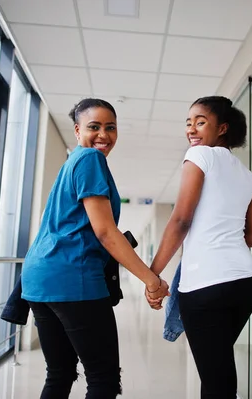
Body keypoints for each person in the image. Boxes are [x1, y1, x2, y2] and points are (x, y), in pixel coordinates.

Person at [21, 98, 169, 399]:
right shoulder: (90, 160)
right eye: (94, 127)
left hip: (39, 279)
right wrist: (152, 280)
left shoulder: (71, 164)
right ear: (77, 130)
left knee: (59, 372)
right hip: (72, 278)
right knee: (103, 379)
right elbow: (105, 232)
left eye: (110, 127)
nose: (103, 134)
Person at [146, 96, 252, 398]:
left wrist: (152, 274)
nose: (192, 129)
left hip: (206, 286)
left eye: (200, 122)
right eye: (189, 123)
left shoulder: (200, 156)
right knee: (218, 368)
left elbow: (181, 220)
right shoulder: (246, 174)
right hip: (246, 283)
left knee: (216, 379)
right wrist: (225, 241)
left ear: (222, 128)